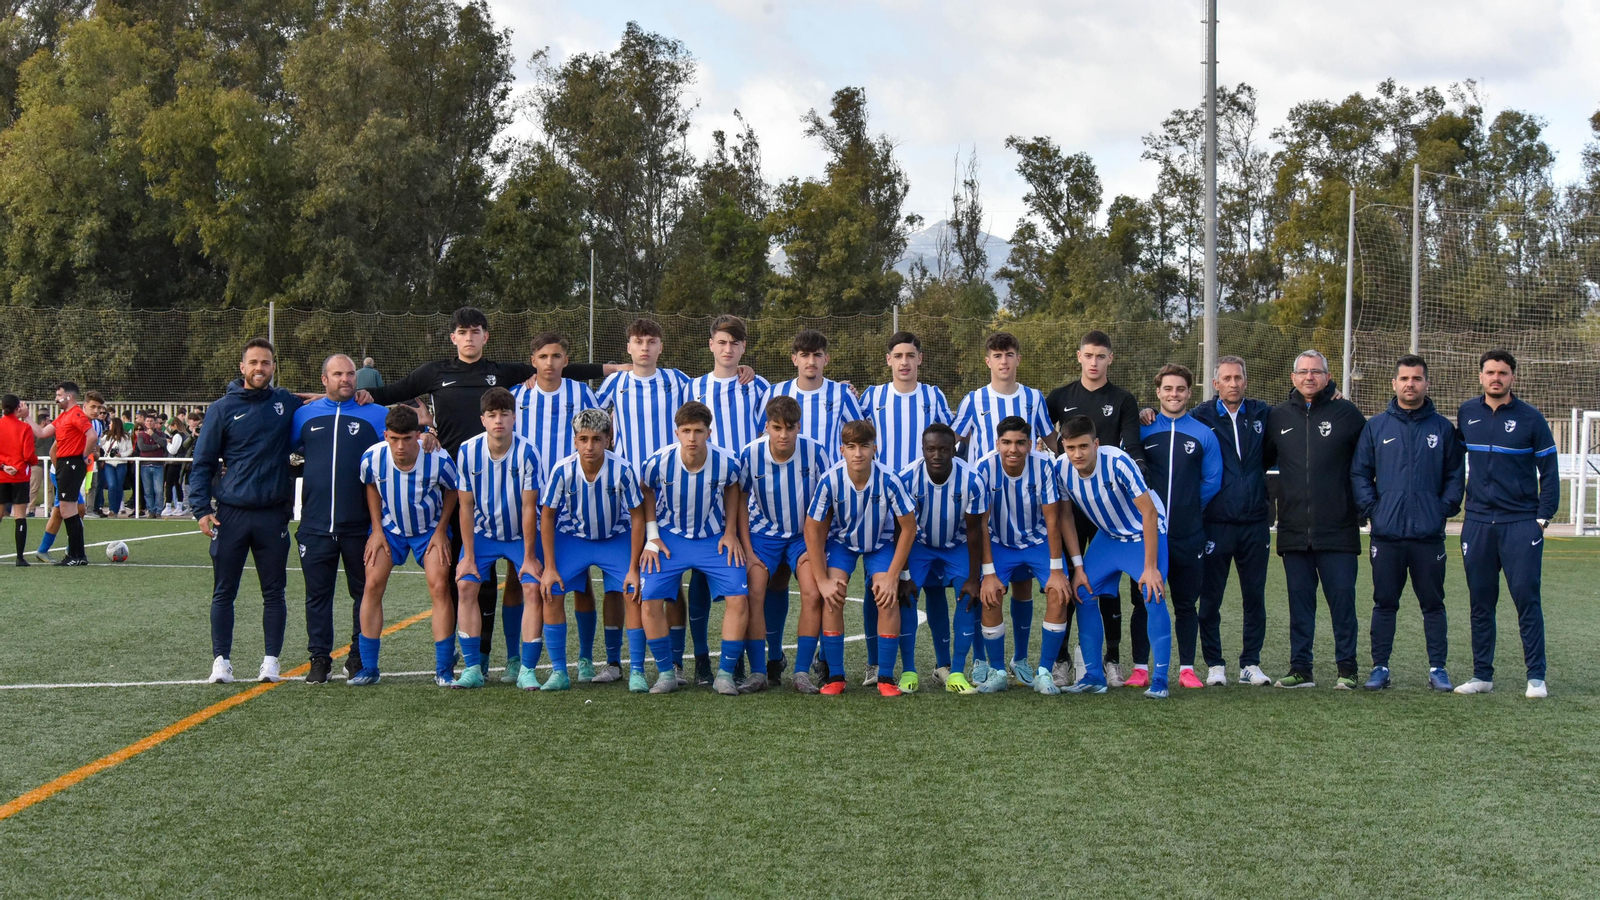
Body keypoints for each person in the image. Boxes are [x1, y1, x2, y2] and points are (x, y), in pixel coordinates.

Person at [359, 309, 610, 680]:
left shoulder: (502, 373)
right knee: (465, 577)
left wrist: (611, 368)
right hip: (461, 483)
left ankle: (496, 655)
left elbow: (557, 369)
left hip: (511, 485)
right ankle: (467, 659)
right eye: (463, 332)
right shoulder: (435, 373)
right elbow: (393, 391)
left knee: (510, 578)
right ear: (454, 338)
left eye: (476, 332)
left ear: (485, 337)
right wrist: (348, 394)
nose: (470, 338)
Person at [189, 338, 305, 684]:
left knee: (274, 592)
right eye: (253, 363)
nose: (259, 368)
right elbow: (202, 463)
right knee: (224, 590)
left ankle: (271, 661)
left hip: (272, 514)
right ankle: (221, 661)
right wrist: (200, 509)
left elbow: (322, 402)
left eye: (266, 363)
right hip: (231, 513)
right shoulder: (222, 408)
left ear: (273, 367)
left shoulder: (285, 402)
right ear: (242, 368)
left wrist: (357, 394)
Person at [1350, 354, 1465, 692]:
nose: (1410, 384)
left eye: (1416, 379)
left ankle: (1438, 669)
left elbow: (1455, 475)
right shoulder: (1376, 427)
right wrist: (1374, 509)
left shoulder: (1442, 428)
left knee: (1433, 604)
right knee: (1384, 602)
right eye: (1404, 378)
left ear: (1426, 384)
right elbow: (1359, 473)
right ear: (1394, 383)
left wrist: (1441, 509)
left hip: (1428, 535)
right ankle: (1380, 668)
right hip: (1386, 535)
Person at [1045, 330, 1149, 689]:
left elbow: (1132, 445)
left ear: (1110, 359)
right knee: (1071, 581)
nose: (1094, 362)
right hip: (1071, 507)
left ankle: (1111, 661)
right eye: (1088, 355)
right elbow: (1045, 439)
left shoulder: (1122, 399)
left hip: (1109, 508)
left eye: (1100, 356)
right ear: (1078, 357)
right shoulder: (1059, 397)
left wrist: (1134, 481)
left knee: (1106, 585)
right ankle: (1061, 662)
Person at [1453, 349, 1558, 699]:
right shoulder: (1467, 412)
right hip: (1479, 522)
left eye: (1502, 372)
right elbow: (1452, 458)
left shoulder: (1531, 419)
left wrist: (1541, 520)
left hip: (1520, 524)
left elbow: (1550, 473)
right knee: (1481, 603)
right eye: (1490, 372)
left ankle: (1536, 678)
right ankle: (1482, 675)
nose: (1496, 377)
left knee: (1526, 599)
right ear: (1480, 376)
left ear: (1513, 377)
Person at [597, 317, 697, 679]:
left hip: (669, 491)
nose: (644, 348)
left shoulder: (678, 381)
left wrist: (745, 369)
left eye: (651, 341)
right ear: (628, 347)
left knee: (669, 582)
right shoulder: (615, 383)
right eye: (638, 341)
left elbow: (706, 401)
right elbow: (587, 413)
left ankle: (676, 663)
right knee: (618, 580)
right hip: (624, 494)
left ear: (660, 347)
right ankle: (613, 663)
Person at [512, 332, 614, 682]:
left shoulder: (582, 393)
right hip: (532, 499)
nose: (550, 363)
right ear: (533, 360)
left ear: (566, 361)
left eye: (556, 356)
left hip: (577, 498)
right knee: (530, 581)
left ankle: (584, 659)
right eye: (543, 357)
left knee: (581, 582)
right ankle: (521, 661)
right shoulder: (519, 395)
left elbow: (601, 429)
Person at [953, 331, 1053, 679]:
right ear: (988, 361)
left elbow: (1052, 440)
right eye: (997, 355)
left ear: (1018, 359)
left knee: (1023, 586)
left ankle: (1021, 659)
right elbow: (955, 441)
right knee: (987, 585)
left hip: (1025, 502)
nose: (1004, 361)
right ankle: (982, 660)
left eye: (1009, 354)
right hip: (987, 503)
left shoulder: (1033, 398)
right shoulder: (974, 399)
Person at [1265, 350, 1366, 690]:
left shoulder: (1347, 413)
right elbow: (1258, 459)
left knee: (1342, 603)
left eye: (1316, 372)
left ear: (1327, 376)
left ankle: (1347, 669)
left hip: (1338, 530)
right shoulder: (1277, 417)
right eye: (1303, 372)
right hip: (1294, 530)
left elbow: (1366, 464)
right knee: (1300, 605)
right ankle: (1301, 669)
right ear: (1293, 377)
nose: (1309, 377)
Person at [637, 401, 749, 695]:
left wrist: (730, 532)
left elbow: (733, 486)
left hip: (713, 538)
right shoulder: (658, 461)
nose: (692, 438)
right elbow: (646, 489)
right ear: (676, 432)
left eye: (698, 431)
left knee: (739, 596)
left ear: (708, 432)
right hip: (669, 538)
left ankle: (725, 673)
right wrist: (651, 536)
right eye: (686, 431)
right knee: (648, 599)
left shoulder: (727, 462)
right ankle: (666, 673)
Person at [1056, 414, 1171, 698]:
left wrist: (1150, 566)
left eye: (1083, 447)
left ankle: (1160, 679)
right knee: (1083, 591)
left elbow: (1149, 512)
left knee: (1152, 592)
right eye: (1070, 448)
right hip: (1108, 537)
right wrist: (1078, 566)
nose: (1077, 454)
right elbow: (1066, 518)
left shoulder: (1118, 462)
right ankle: (1094, 675)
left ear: (1096, 444)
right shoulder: (1060, 468)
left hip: (1143, 534)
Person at [863, 331, 956, 677]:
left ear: (920, 359)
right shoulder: (872, 397)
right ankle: (876, 662)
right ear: (888, 360)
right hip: (882, 504)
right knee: (879, 582)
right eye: (898, 355)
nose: (904, 362)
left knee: (932, 583)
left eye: (910, 355)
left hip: (927, 500)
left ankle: (943, 664)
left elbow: (947, 443)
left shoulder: (933, 397)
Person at [292, 354, 389, 684]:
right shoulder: (303, 415)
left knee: (364, 593)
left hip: (360, 526)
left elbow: (412, 429)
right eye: (338, 374)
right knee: (317, 596)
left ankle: (357, 655)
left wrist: (428, 431)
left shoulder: (376, 414)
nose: (346, 379)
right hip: (315, 525)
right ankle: (319, 658)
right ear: (324, 380)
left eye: (350, 374)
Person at [803, 418, 917, 696]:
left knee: (886, 597)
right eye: (851, 446)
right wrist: (822, 580)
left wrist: (893, 576)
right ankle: (836, 676)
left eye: (864, 446)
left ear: (874, 448)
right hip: (842, 543)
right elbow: (812, 529)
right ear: (841, 450)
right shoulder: (830, 480)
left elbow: (909, 526)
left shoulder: (889, 479)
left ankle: (886, 678)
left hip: (880, 543)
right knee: (833, 595)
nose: (858, 453)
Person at [686, 315, 770, 685]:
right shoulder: (693, 386)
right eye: (721, 342)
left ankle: (737, 658)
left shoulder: (758, 386)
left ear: (743, 348)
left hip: (744, 493)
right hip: (701, 491)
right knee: (700, 578)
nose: (727, 349)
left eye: (734, 344)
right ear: (710, 345)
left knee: (740, 575)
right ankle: (701, 658)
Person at [536, 409, 645, 692]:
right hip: (573, 539)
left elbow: (637, 516)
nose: (589, 446)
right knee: (551, 591)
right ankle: (560, 671)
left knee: (633, 592)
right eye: (583, 439)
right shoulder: (563, 469)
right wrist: (548, 567)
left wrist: (634, 568)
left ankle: (635, 670)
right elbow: (547, 515)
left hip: (615, 538)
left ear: (608, 440)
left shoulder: (623, 469)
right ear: (574, 441)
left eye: (597, 439)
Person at [351, 403, 460, 686]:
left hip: (428, 530)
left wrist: (441, 530)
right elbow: (371, 486)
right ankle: (369, 668)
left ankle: (443, 668)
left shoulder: (438, 458)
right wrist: (376, 529)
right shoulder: (372, 457)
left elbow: (453, 490)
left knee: (439, 586)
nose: (400, 446)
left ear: (418, 435)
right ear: (385, 435)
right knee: (372, 584)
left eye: (407, 438)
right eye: (394, 439)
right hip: (390, 529)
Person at [1189, 356, 1275, 686]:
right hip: (1215, 523)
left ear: (1246, 381)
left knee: (1255, 596)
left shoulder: (1262, 413)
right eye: (1226, 378)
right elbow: (1173, 424)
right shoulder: (1201, 416)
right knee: (1210, 597)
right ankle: (1215, 664)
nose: (1233, 383)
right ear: (1215, 384)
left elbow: (1299, 411)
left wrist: (1333, 392)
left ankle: (1250, 663)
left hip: (1254, 522)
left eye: (1238, 377)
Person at [969, 416, 1070, 692]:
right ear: (997, 443)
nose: (1013, 449)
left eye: (1020, 443)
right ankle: (998, 671)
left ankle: (1044, 672)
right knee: (990, 595)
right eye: (1007, 442)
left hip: (1037, 540)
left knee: (1059, 592)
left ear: (1030, 444)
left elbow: (1053, 521)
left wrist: (1057, 571)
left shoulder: (1044, 466)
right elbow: (981, 524)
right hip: (999, 541)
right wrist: (988, 574)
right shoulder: (984, 467)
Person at [451, 387, 542, 690]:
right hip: (483, 533)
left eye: (504, 414)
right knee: (465, 584)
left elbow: (530, 507)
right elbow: (465, 505)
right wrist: (468, 556)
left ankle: (526, 667)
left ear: (514, 418)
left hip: (520, 535)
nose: (499, 420)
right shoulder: (467, 451)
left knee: (532, 589)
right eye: (492, 415)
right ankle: (473, 667)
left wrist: (529, 557)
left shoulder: (528, 452)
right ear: (483, 419)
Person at [738, 396, 830, 693]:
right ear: (766, 427)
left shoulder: (815, 451)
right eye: (776, 427)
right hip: (763, 534)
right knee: (754, 591)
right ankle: (759, 670)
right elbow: (739, 501)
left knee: (813, 593)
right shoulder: (750, 454)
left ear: (798, 427)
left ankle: (802, 672)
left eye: (790, 428)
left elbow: (827, 500)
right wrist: (748, 551)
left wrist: (816, 544)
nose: (783, 434)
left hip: (804, 535)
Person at [1139, 364, 1221, 689]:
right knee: (1144, 601)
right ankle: (1139, 668)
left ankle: (1187, 668)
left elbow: (1213, 480)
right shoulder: (1142, 430)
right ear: (1158, 392)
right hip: (1148, 536)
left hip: (1189, 534)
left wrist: (1187, 506)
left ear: (1189, 393)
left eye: (1181, 389)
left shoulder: (1203, 434)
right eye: (1168, 389)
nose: (1174, 394)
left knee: (1186, 604)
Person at [899, 422, 989, 693]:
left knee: (968, 595)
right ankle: (908, 672)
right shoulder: (906, 478)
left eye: (943, 449)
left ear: (954, 450)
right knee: (906, 595)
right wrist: (903, 576)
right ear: (923, 450)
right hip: (920, 545)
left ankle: (957, 673)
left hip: (957, 544)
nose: (936, 455)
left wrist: (974, 579)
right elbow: (900, 530)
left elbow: (975, 532)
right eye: (930, 449)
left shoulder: (972, 479)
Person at [27, 383, 103, 566]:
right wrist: (27, 417)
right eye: (93, 406)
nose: (56, 398)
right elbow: (43, 433)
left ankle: (75, 555)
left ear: (69, 397)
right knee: (68, 510)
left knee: (68, 510)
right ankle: (75, 554)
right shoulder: (65, 416)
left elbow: (91, 437)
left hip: (70, 465)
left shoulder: (76, 415)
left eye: (59, 394)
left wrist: (83, 456)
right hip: (64, 467)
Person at [0, 394, 35, 564]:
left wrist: (3, 466)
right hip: (20, 475)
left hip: (1, 475)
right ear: (17, 408)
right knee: (20, 516)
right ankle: (20, 558)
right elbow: (29, 455)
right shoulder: (24, 428)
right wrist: (33, 461)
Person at [96, 417, 131, 518]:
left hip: (121, 463)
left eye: (111, 423)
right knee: (111, 485)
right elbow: (99, 444)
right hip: (109, 463)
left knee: (118, 486)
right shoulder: (107, 436)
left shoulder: (125, 437)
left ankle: (115, 510)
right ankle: (112, 509)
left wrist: (122, 455)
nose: (109, 425)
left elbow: (129, 450)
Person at [135, 411, 166, 518]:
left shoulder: (161, 434)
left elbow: (164, 443)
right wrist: (156, 447)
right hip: (145, 466)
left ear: (155, 423)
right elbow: (142, 448)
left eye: (151, 421)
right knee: (148, 491)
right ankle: (151, 510)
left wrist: (153, 435)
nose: (149, 423)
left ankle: (158, 511)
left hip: (158, 465)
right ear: (144, 422)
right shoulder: (141, 435)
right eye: (147, 421)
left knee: (159, 491)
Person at [162, 417, 191, 516]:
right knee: (178, 485)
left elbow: (173, 450)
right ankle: (178, 505)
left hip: (174, 463)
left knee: (170, 485)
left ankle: (169, 506)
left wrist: (168, 444)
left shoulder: (177, 436)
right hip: (179, 463)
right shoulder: (184, 435)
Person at [27, 409, 51, 516]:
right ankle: (31, 509)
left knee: (49, 488)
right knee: (33, 488)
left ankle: (49, 510)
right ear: (43, 421)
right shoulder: (33, 432)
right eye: (48, 420)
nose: (50, 422)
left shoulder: (51, 432)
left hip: (50, 464)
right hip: (37, 464)